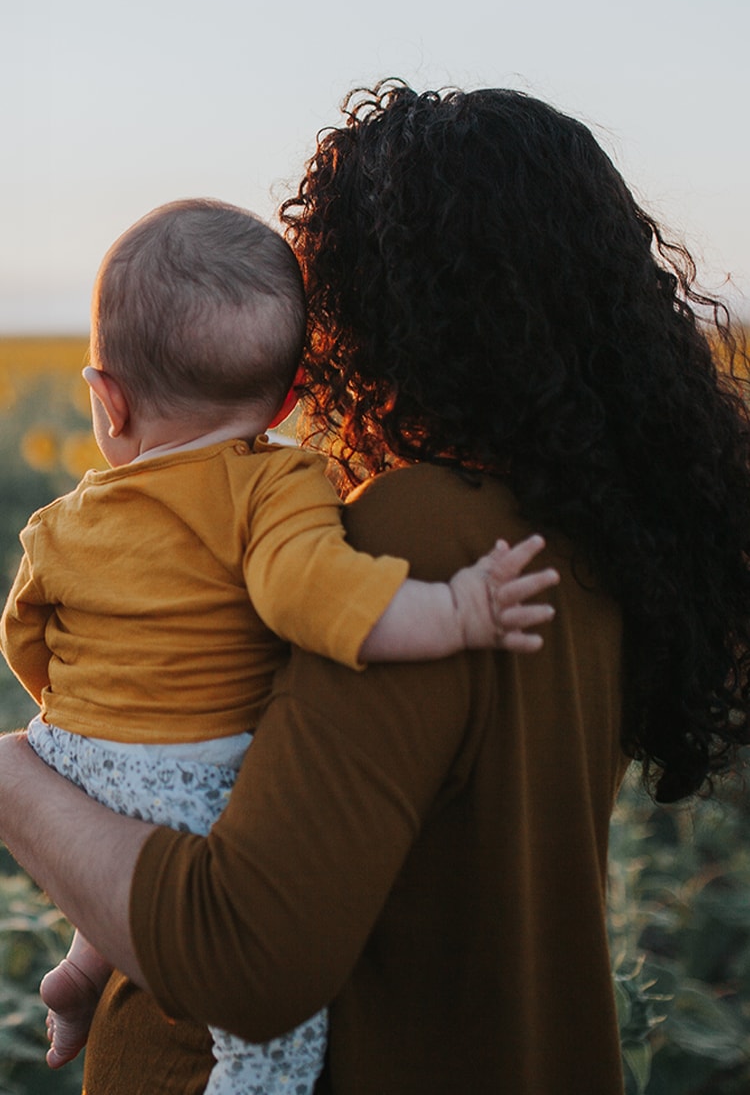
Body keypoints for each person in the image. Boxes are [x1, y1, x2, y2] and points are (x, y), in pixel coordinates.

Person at [1, 80, 750, 1095]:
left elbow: (246, 957)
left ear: (383, 310)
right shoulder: (588, 538)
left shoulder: (421, 541)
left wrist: (13, 782)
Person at [0, 196, 558, 1092]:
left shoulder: (60, 521)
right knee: (277, 1035)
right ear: (296, 396)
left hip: (69, 752)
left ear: (106, 402)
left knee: (117, 828)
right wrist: (456, 612)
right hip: (202, 776)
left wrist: (82, 721)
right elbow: (307, 594)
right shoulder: (275, 483)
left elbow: (26, 632)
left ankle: (78, 968)